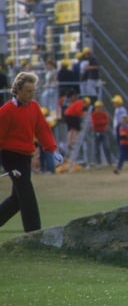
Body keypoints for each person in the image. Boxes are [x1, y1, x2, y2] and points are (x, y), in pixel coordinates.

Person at [0, 72, 64, 233]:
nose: (31, 94)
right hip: (11, 157)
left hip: (25, 156)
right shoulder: (6, 111)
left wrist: (52, 149)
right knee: (26, 191)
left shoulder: (34, 107)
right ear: (18, 91)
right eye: (28, 91)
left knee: (18, 197)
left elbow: (42, 129)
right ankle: (34, 230)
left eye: (33, 91)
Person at [90, 100, 114, 166]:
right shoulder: (93, 115)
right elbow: (95, 123)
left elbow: (106, 122)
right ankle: (98, 162)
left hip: (103, 131)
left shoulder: (104, 114)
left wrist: (101, 123)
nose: (99, 109)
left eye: (100, 107)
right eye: (98, 107)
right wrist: (102, 122)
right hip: (96, 131)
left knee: (106, 146)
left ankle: (110, 162)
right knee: (96, 148)